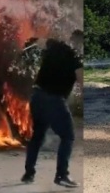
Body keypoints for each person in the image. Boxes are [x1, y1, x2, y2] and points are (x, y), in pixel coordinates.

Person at [22, 29, 83, 188]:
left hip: (37, 96)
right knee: (68, 136)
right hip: (54, 100)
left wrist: (27, 44)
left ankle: (29, 173)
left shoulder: (56, 45)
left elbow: (39, 41)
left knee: (37, 136)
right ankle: (62, 175)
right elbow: (81, 81)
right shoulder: (76, 58)